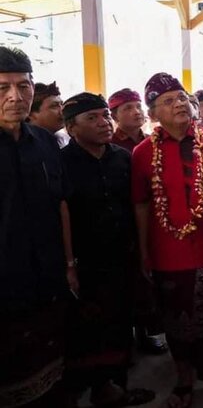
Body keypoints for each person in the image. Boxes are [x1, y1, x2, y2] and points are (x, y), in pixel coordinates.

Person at [131, 72, 203, 408]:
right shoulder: (143, 153)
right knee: (177, 323)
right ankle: (184, 378)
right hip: (168, 254)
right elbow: (142, 205)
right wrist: (145, 252)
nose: (179, 104)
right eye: (167, 101)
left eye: (181, 97)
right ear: (153, 114)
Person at [60, 93, 155, 407]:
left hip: (122, 257)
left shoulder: (122, 158)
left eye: (104, 115)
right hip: (86, 263)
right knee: (88, 328)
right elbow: (60, 216)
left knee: (120, 324)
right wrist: (70, 264)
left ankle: (113, 387)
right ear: (71, 128)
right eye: (92, 118)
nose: (103, 123)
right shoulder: (62, 164)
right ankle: (91, 389)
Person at [0, 47, 72, 407]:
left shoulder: (45, 142)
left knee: (50, 372)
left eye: (24, 85)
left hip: (47, 280)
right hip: (4, 286)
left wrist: (69, 265)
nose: (16, 96)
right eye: (3, 87)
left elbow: (60, 204)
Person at [108, 88, 168, 356]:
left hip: (152, 219)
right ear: (115, 116)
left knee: (149, 281)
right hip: (122, 222)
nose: (135, 112)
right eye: (127, 108)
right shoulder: (110, 145)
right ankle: (127, 339)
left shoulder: (153, 142)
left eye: (137, 106)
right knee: (126, 281)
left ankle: (148, 331)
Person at [28, 80, 69, 147]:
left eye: (62, 104)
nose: (62, 110)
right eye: (54, 106)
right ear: (31, 114)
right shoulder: (26, 144)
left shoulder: (63, 139)